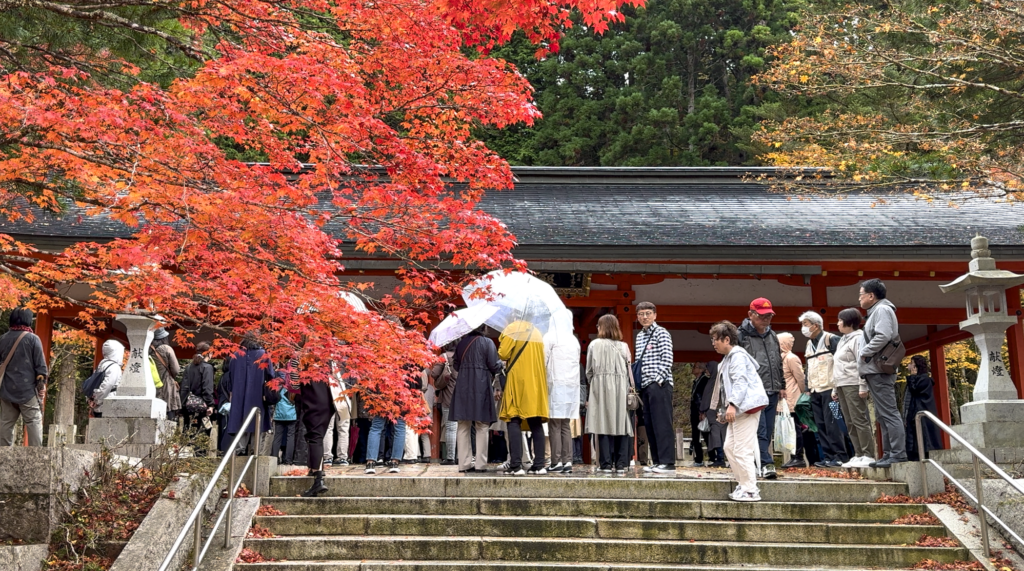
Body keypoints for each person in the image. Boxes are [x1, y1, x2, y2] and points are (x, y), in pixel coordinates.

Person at [709, 321, 769, 502]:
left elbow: (740, 381)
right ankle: (743, 485)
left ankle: (750, 489)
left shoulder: (737, 356)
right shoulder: (728, 358)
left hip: (746, 407)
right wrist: (725, 408)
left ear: (726, 339)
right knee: (729, 447)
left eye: (715, 339)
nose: (713, 343)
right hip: (739, 408)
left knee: (742, 449)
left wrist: (732, 405)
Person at [858, 279, 908, 468]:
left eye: (861, 294)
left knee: (888, 412)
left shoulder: (882, 310)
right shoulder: (878, 311)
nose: (859, 298)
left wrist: (865, 352)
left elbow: (883, 335)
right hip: (875, 370)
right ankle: (889, 453)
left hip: (879, 370)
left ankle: (897, 453)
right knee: (882, 414)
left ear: (871, 296)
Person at [738, 298, 785, 479]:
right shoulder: (740, 335)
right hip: (754, 391)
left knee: (769, 429)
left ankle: (758, 462)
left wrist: (781, 385)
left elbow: (777, 361)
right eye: (762, 316)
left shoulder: (773, 335)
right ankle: (766, 464)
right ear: (751, 315)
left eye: (769, 316)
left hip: (772, 389)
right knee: (760, 430)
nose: (766, 320)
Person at [497, 320, 549, 476]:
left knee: (513, 418)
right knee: (535, 420)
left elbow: (503, 354)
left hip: (518, 379)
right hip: (536, 380)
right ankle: (539, 465)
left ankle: (516, 465)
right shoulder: (537, 332)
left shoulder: (513, 329)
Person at [585, 314, 634, 475]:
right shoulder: (624, 346)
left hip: (600, 386)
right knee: (621, 423)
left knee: (602, 423)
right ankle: (621, 463)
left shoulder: (594, 345)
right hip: (621, 386)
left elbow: (589, 371)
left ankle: (605, 463)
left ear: (601, 327)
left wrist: (596, 381)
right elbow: (629, 369)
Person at [799, 311, 847, 468]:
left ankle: (840, 456)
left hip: (830, 389)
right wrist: (807, 388)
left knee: (832, 424)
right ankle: (827, 456)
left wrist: (838, 386)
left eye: (805, 324)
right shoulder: (808, 344)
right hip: (814, 390)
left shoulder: (831, 339)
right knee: (820, 424)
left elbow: (842, 363)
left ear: (815, 325)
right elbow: (808, 368)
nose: (803, 328)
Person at [832, 308, 877, 468]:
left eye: (840, 320)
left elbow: (862, 362)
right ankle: (858, 454)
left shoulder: (858, 338)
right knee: (849, 421)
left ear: (848, 322)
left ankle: (868, 454)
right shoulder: (843, 339)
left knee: (859, 419)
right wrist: (834, 388)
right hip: (842, 383)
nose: (837, 323)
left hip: (853, 383)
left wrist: (863, 385)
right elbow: (837, 364)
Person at [451, 328, 501, 472]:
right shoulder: (488, 342)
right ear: (484, 328)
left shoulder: (461, 343)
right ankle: (480, 464)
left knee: (463, 425)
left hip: (463, 385)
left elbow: (456, 365)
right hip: (481, 385)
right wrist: (501, 365)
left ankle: (464, 464)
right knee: (482, 424)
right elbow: (494, 365)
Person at [634, 302, 675, 474]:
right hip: (644, 385)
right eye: (641, 314)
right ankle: (657, 461)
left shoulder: (661, 333)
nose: (645, 317)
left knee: (662, 423)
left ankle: (667, 462)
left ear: (655, 315)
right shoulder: (639, 337)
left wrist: (657, 380)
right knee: (649, 424)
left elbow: (667, 359)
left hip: (660, 384)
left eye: (648, 313)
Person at [0, 308, 48, 446]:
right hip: (27, 390)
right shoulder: (33, 339)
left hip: (6, 389)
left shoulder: (2, 339)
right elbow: (40, 366)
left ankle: (3, 455)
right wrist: (41, 385)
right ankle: (35, 454)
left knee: (6, 423)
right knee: (33, 421)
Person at [223, 338, 276, 454]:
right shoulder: (263, 355)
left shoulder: (236, 355)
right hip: (258, 394)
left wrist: (232, 391)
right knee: (257, 421)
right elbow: (271, 376)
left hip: (239, 395)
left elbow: (229, 376)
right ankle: (255, 451)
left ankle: (240, 450)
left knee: (240, 420)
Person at [544, 311, 581, 474]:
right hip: (571, 385)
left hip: (555, 382)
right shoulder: (574, 340)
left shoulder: (550, 337)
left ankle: (556, 460)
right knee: (565, 424)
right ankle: (567, 461)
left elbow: (543, 360)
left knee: (554, 424)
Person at [777, 333, 810, 468]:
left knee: (794, 428)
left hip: (793, 397)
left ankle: (798, 457)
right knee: (789, 429)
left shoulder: (791, 358)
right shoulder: (780, 358)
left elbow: (800, 378)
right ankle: (793, 456)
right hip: (784, 399)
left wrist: (804, 395)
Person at [904, 355, 942, 461]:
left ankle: (922, 454)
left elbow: (915, 390)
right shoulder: (920, 379)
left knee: (921, 435)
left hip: (920, 410)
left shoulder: (925, 380)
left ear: (916, 366)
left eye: (911, 363)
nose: (909, 365)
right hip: (914, 411)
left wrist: (912, 377)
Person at [180, 342, 215, 450]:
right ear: (208, 353)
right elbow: (207, 387)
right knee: (202, 433)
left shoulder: (189, 367)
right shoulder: (207, 367)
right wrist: (210, 404)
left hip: (188, 404)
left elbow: (184, 387)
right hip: (201, 405)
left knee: (188, 430)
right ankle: (199, 458)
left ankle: (185, 456)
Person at [429, 343, 459, 466]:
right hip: (464, 395)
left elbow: (434, 373)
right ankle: (463, 456)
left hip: (449, 396)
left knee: (451, 427)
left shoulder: (444, 356)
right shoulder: (464, 356)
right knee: (463, 428)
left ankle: (450, 457)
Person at [322, 362, 352, 467]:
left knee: (328, 428)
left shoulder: (324, 361)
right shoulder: (347, 361)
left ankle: (327, 457)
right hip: (344, 396)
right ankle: (342, 457)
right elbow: (352, 380)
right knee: (343, 428)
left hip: (328, 397)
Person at [699, 361, 726, 468]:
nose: (707, 372)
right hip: (716, 413)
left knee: (716, 436)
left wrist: (703, 410)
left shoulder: (715, 382)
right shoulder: (717, 381)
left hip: (715, 413)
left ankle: (720, 458)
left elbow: (709, 398)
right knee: (717, 436)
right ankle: (719, 458)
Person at [151, 328, 182, 421]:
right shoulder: (166, 348)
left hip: (154, 383)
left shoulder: (150, 349)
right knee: (169, 410)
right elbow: (176, 369)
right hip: (167, 382)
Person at [90, 340, 126, 418]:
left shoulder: (101, 364)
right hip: (107, 405)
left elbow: (93, 383)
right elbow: (107, 385)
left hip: (99, 406)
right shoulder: (114, 367)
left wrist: (92, 399)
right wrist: (97, 401)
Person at [689, 362, 712, 467]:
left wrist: (702, 411)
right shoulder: (696, 381)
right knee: (695, 436)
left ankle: (712, 457)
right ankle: (698, 458)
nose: (693, 369)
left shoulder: (705, 381)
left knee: (706, 435)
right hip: (694, 411)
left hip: (701, 411)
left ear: (702, 370)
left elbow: (703, 398)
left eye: (696, 367)